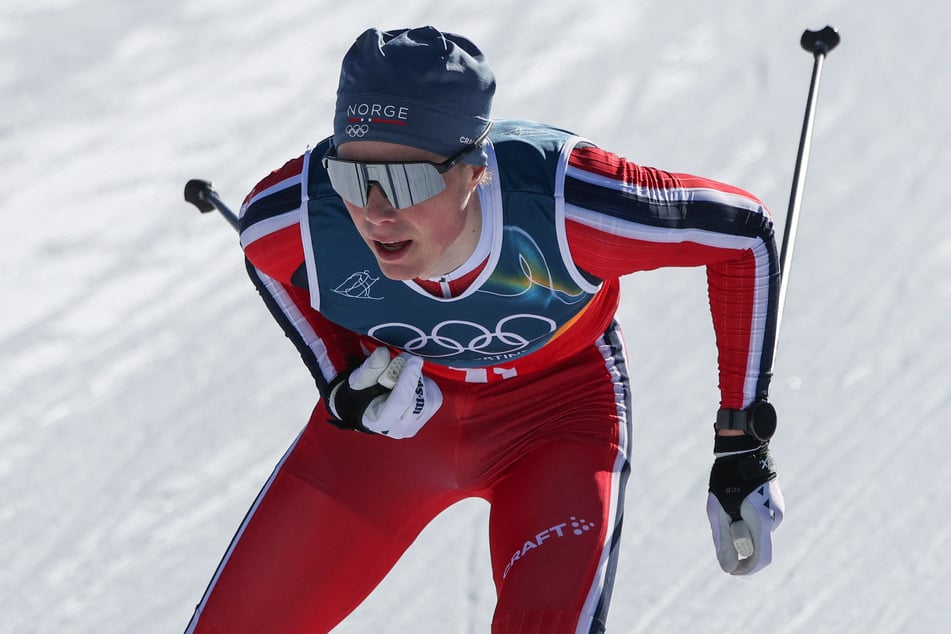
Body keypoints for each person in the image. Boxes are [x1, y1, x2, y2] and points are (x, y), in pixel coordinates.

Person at [185, 25, 785, 634]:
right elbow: (266, 253)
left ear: (475, 170)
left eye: (407, 181)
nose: (375, 212)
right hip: (400, 423)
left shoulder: (569, 205)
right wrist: (344, 379)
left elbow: (742, 236)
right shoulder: (303, 218)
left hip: (558, 418)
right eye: (352, 177)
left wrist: (741, 439)